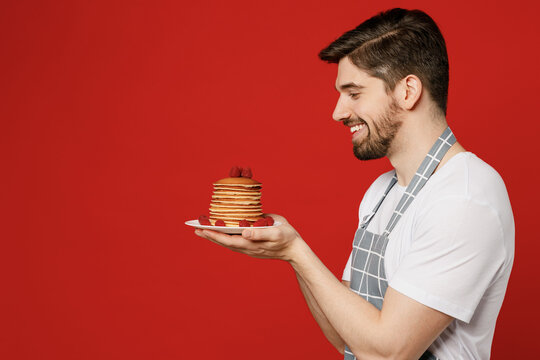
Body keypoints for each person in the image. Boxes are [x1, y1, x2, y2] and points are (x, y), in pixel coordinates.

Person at [194, 8, 514, 360]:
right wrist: (289, 253)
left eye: (354, 93)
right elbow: (349, 337)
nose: (338, 112)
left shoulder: (465, 197)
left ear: (408, 91)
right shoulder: (382, 192)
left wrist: (296, 253)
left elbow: (390, 352)